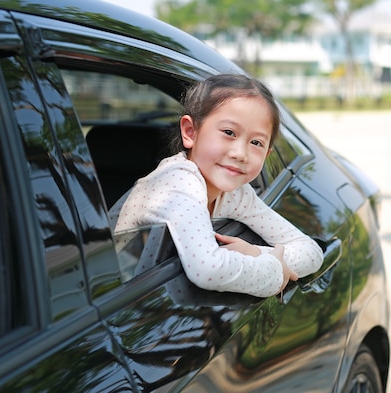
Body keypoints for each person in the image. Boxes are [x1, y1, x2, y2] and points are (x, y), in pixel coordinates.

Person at [110, 74, 323, 298]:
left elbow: (311, 253)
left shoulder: (237, 195)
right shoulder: (179, 183)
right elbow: (209, 269)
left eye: (256, 143)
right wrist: (277, 271)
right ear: (190, 132)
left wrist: (255, 252)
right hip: (108, 293)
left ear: (267, 154)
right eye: (229, 133)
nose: (240, 153)